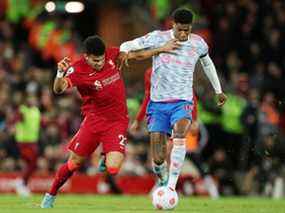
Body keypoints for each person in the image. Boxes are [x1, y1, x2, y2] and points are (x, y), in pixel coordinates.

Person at [40, 35, 179, 208]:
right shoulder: (77, 70)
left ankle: (106, 155)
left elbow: (136, 55)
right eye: (96, 60)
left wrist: (161, 49)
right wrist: (60, 73)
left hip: (117, 121)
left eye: (102, 59)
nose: (100, 63)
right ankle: (50, 195)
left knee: (113, 169)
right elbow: (58, 89)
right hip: (94, 120)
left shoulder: (111, 54)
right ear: (86, 57)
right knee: (74, 163)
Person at [120, 8, 227, 191]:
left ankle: (171, 186)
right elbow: (127, 45)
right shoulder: (158, 37)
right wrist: (123, 52)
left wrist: (218, 90)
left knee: (180, 134)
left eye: (188, 29)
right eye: (181, 29)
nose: (184, 33)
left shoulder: (198, 43)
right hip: (158, 103)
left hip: (182, 101)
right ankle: (162, 175)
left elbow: (207, 63)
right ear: (173, 25)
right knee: (158, 157)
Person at [13, 95, 41, 197]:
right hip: (23, 142)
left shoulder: (36, 111)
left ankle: (22, 182)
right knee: (31, 162)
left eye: (33, 98)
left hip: (33, 141)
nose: (32, 100)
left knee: (32, 164)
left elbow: (40, 123)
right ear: (25, 100)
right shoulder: (22, 110)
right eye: (30, 98)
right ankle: (22, 183)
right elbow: (17, 119)